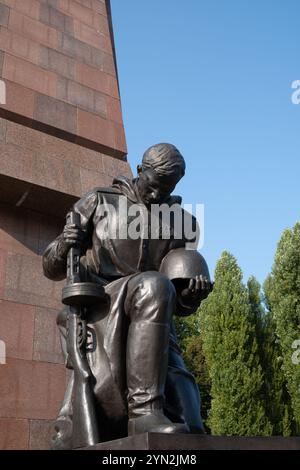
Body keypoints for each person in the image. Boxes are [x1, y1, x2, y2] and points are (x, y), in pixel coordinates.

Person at [43, 143, 211, 448]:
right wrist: (65, 244)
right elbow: (51, 267)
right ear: (139, 170)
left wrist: (190, 295)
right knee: (154, 284)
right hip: (104, 304)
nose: (156, 195)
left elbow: (175, 303)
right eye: (152, 185)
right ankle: (145, 411)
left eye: (166, 189)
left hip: (152, 318)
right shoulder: (100, 202)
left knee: (192, 423)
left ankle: (153, 409)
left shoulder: (180, 223)